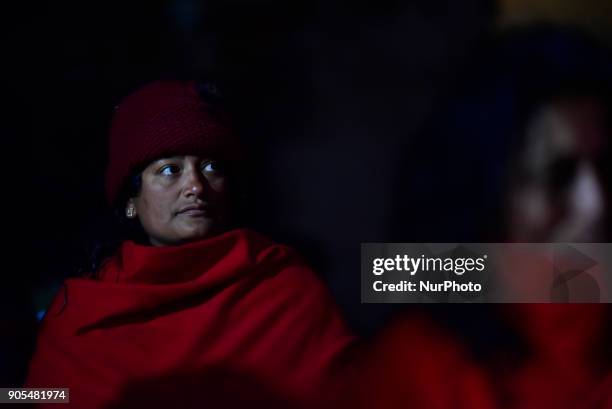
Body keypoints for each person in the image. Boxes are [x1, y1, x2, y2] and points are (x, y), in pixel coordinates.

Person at [25, 80, 355, 408]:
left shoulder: (282, 286)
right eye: (170, 170)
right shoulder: (83, 314)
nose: (196, 186)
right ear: (131, 199)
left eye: (211, 167)